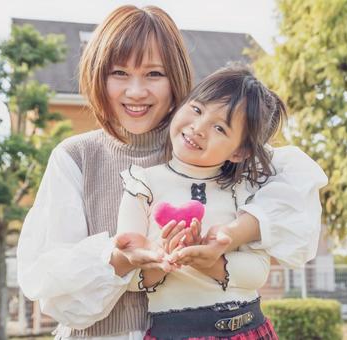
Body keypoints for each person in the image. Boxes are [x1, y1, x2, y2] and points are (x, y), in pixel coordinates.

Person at [16, 5, 328, 340]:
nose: (136, 92)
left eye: (154, 74)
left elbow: (297, 191)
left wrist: (234, 233)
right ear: (98, 75)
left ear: (176, 78)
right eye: (119, 73)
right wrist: (121, 259)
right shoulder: (76, 157)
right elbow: (52, 288)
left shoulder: (206, 147)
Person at [117, 65, 284, 339]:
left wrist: (209, 263)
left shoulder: (244, 190)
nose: (199, 128)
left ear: (240, 151)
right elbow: (128, 277)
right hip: (177, 332)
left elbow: (258, 272)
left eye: (219, 127)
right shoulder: (142, 183)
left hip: (249, 328)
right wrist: (162, 259)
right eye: (196, 109)